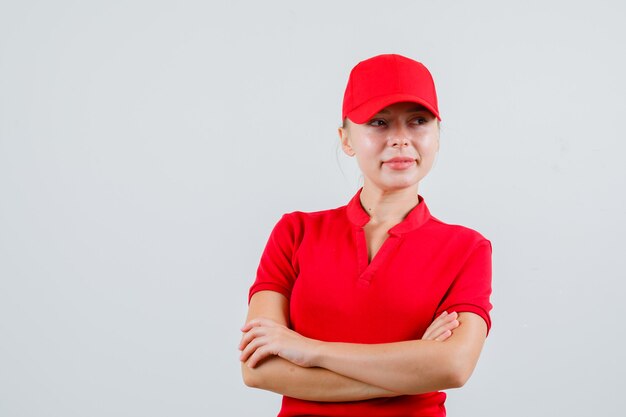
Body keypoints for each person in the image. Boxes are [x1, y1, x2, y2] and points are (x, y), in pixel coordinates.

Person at [239, 53, 493, 417]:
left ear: (437, 135)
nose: (401, 140)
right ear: (346, 139)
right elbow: (257, 369)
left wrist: (310, 350)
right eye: (379, 122)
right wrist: (413, 368)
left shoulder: (468, 249)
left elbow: (453, 366)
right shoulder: (295, 233)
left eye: (418, 121)